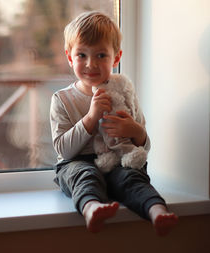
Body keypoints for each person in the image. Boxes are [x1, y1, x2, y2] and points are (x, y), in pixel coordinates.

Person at [50, 11, 178, 236]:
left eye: (101, 55)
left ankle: (157, 210)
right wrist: (90, 118)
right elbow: (63, 150)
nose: (91, 64)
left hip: (116, 161)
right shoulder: (62, 99)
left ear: (116, 58)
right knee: (85, 175)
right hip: (77, 163)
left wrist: (135, 130)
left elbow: (142, 147)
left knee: (132, 176)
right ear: (70, 58)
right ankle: (92, 208)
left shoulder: (124, 91)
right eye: (82, 55)